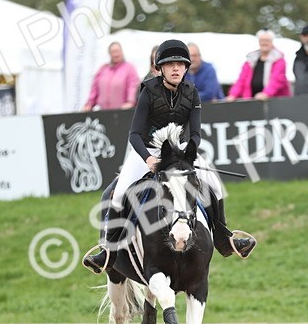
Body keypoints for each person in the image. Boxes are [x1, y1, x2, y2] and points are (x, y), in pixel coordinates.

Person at [82, 38, 256, 274]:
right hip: (148, 151)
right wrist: (148, 159)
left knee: (215, 185)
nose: (176, 68)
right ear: (160, 68)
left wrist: (188, 154)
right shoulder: (148, 91)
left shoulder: (192, 92)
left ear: (186, 68)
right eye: (170, 64)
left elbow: (195, 133)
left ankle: (224, 239)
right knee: (118, 192)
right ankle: (108, 252)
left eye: (181, 64)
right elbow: (134, 134)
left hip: (181, 150)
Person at [226, 30, 291, 100]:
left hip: (274, 101)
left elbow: (277, 80)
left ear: (272, 42)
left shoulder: (279, 60)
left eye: (267, 40)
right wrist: (233, 95)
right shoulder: (250, 60)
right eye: (262, 40)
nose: (264, 42)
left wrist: (266, 94)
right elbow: (241, 80)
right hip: (251, 100)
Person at [83, 42, 139, 111]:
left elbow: (132, 87)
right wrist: (89, 104)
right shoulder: (103, 69)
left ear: (122, 52)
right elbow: (94, 89)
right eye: (113, 52)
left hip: (122, 112)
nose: (116, 54)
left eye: (117, 51)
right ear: (109, 54)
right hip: (104, 112)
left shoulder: (130, 68)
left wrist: (130, 102)